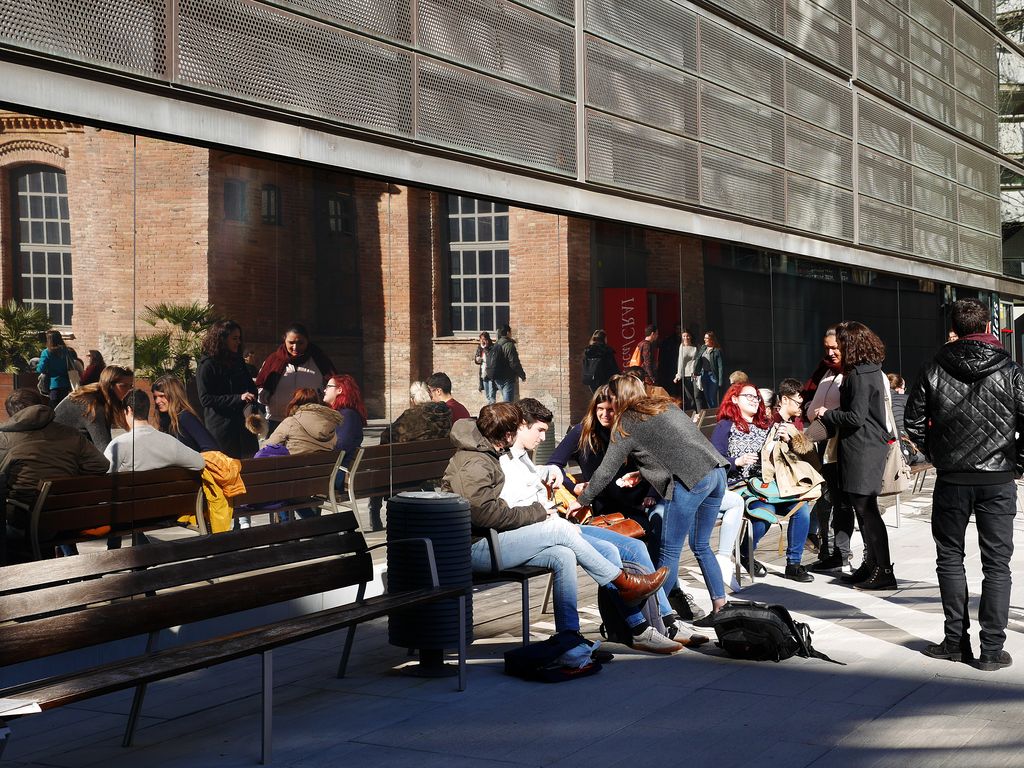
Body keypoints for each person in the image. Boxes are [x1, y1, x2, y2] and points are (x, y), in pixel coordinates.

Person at [442, 402, 669, 646]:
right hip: (480, 546)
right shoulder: (478, 462)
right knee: (562, 530)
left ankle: (570, 639)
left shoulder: (486, 455)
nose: (514, 440)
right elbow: (485, 515)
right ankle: (624, 587)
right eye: (535, 430)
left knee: (563, 555)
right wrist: (538, 511)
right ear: (508, 432)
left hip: (497, 538)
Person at [907, 298, 1024, 671]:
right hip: (998, 478)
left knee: (950, 558)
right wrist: (1017, 461)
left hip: (953, 478)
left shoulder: (934, 367)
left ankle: (956, 641)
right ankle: (991, 650)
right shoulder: (1010, 369)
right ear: (988, 327)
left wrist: (939, 455)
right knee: (997, 564)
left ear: (954, 328)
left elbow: (912, 422)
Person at [570, 373, 730, 626]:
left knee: (669, 551)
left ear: (618, 396)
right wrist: (641, 473)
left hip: (691, 481)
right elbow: (676, 448)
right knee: (701, 545)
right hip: (717, 472)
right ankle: (721, 607)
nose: (609, 403)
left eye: (611, 397)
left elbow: (606, 470)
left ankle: (658, 618)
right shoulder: (664, 406)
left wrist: (582, 500)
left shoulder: (626, 422)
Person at [814, 321, 894, 591]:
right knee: (865, 510)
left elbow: (855, 416)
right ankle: (872, 566)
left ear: (853, 345)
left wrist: (827, 414)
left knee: (867, 511)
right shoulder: (870, 370)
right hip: (866, 446)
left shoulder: (859, 374)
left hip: (862, 448)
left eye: (842, 344)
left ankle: (882, 570)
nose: (838, 349)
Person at [711, 382, 815, 583]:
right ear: (734, 399)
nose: (753, 400)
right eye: (748, 396)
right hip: (740, 485)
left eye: (756, 397)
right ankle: (744, 553)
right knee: (765, 512)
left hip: (768, 484)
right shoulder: (726, 426)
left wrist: (788, 439)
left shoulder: (765, 424)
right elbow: (714, 459)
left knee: (801, 509)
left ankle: (794, 565)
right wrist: (736, 462)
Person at [0, 389, 109, 556]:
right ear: (41, 405)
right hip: (66, 517)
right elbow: (101, 465)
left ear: (12, 414)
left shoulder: (5, 439)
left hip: (23, 521)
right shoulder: (70, 433)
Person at [367, 381, 454, 530]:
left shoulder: (412, 415)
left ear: (413, 399)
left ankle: (374, 512)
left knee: (380, 469)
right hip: (436, 470)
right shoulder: (445, 414)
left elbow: (387, 436)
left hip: (411, 472)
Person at [803, 327, 855, 574]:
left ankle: (846, 552)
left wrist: (827, 415)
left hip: (844, 444)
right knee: (825, 499)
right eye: (827, 348)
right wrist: (810, 412)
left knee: (844, 502)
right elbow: (809, 398)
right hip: (822, 441)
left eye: (835, 347)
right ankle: (829, 550)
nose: (831, 352)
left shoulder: (852, 373)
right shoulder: (824, 372)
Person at [255, 323, 336, 433]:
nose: (295, 347)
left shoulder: (319, 360)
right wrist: (265, 396)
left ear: (307, 341)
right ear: (284, 339)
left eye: (300, 343)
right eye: (291, 343)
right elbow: (261, 384)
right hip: (278, 420)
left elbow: (333, 383)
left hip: (311, 421)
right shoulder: (273, 360)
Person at [196, 320, 258, 460]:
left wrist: (251, 397)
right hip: (222, 429)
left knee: (250, 466)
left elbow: (250, 386)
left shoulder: (238, 361)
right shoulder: (207, 365)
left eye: (239, 338)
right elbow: (205, 399)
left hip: (244, 426)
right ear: (222, 340)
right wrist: (238, 398)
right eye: (234, 338)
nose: (239, 342)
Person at [105, 390, 205, 473]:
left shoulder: (118, 445)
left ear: (129, 410)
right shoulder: (170, 442)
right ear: (147, 409)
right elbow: (200, 463)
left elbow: (104, 477)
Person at [53, 365, 134, 451]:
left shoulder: (100, 395)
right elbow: (105, 449)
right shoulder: (92, 404)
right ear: (110, 386)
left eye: (131, 386)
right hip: (56, 450)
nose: (129, 390)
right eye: (123, 386)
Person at [151, 375, 219, 453]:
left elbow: (211, 448)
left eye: (162, 396)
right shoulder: (164, 420)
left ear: (173, 395)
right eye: (155, 397)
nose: (157, 401)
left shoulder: (185, 417)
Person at [323, 373, 367, 468]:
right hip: (335, 467)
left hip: (337, 470)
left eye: (328, 386)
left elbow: (342, 445)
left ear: (339, 390)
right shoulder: (342, 414)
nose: (324, 390)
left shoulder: (347, 415)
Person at [488, 324, 526, 402]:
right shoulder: (508, 345)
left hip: (498, 378)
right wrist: (522, 375)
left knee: (506, 403)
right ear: (508, 333)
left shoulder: (497, 344)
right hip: (507, 378)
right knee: (508, 405)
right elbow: (514, 363)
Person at [36, 330, 75, 406]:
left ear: (49, 340)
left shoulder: (46, 352)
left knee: (53, 407)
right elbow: (72, 365)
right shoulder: (67, 351)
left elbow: (40, 369)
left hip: (53, 385)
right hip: (66, 384)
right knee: (63, 407)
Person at [694, 332, 725, 408]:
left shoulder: (716, 351)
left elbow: (720, 367)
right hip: (704, 374)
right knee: (707, 397)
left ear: (711, 339)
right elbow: (698, 359)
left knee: (712, 397)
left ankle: (714, 415)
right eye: (704, 338)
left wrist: (720, 380)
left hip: (713, 376)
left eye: (707, 338)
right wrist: (696, 371)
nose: (705, 339)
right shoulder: (703, 348)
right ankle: (711, 413)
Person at [673, 330, 698, 410]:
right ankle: (691, 412)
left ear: (690, 336)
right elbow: (680, 361)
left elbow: (696, 361)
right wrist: (678, 374)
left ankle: (698, 412)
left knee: (696, 395)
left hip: (693, 374)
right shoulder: (682, 347)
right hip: (685, 374)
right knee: (688, 396)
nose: (686, 338)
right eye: (684, 336)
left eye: (687, 336)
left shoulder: (695, 347)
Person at [656, 324, 681, 396]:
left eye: (680, 329)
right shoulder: (670, 340)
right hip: (671, 367)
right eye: (677, 329)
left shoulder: (684, 340)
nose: (678, 331)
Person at [475, 332, 497, 404]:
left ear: (487, 339)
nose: (482, 341)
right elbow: (476, 358)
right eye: (480, 339)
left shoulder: (492, 347)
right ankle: (491, 406)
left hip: (491, 373)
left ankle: (492, 409)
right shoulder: (480, 347)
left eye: (483, 339)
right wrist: (477, 359)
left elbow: (492, 359)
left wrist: (486, 348)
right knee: (487, 394)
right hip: (483, 372)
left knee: (491, 395)